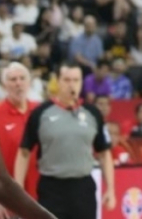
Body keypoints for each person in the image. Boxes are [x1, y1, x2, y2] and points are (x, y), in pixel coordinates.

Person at [16, 63, 116, 219]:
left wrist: (110, 189)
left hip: (83, 188)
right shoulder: (41, 113)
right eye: (67, 80)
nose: (72, 85)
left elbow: (104, 153)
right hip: (52, 189)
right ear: (58, 81)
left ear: (82, 82)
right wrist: (18, 189)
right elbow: (24, 152)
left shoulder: (93, 113)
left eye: (76, 80)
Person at [0, 63, 40, 219]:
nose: (18, 83)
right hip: (11, 199)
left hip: (42, 194)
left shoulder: (40, 111)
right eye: (13, 79)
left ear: (29, 82)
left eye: (22, 78)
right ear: (4, 85)